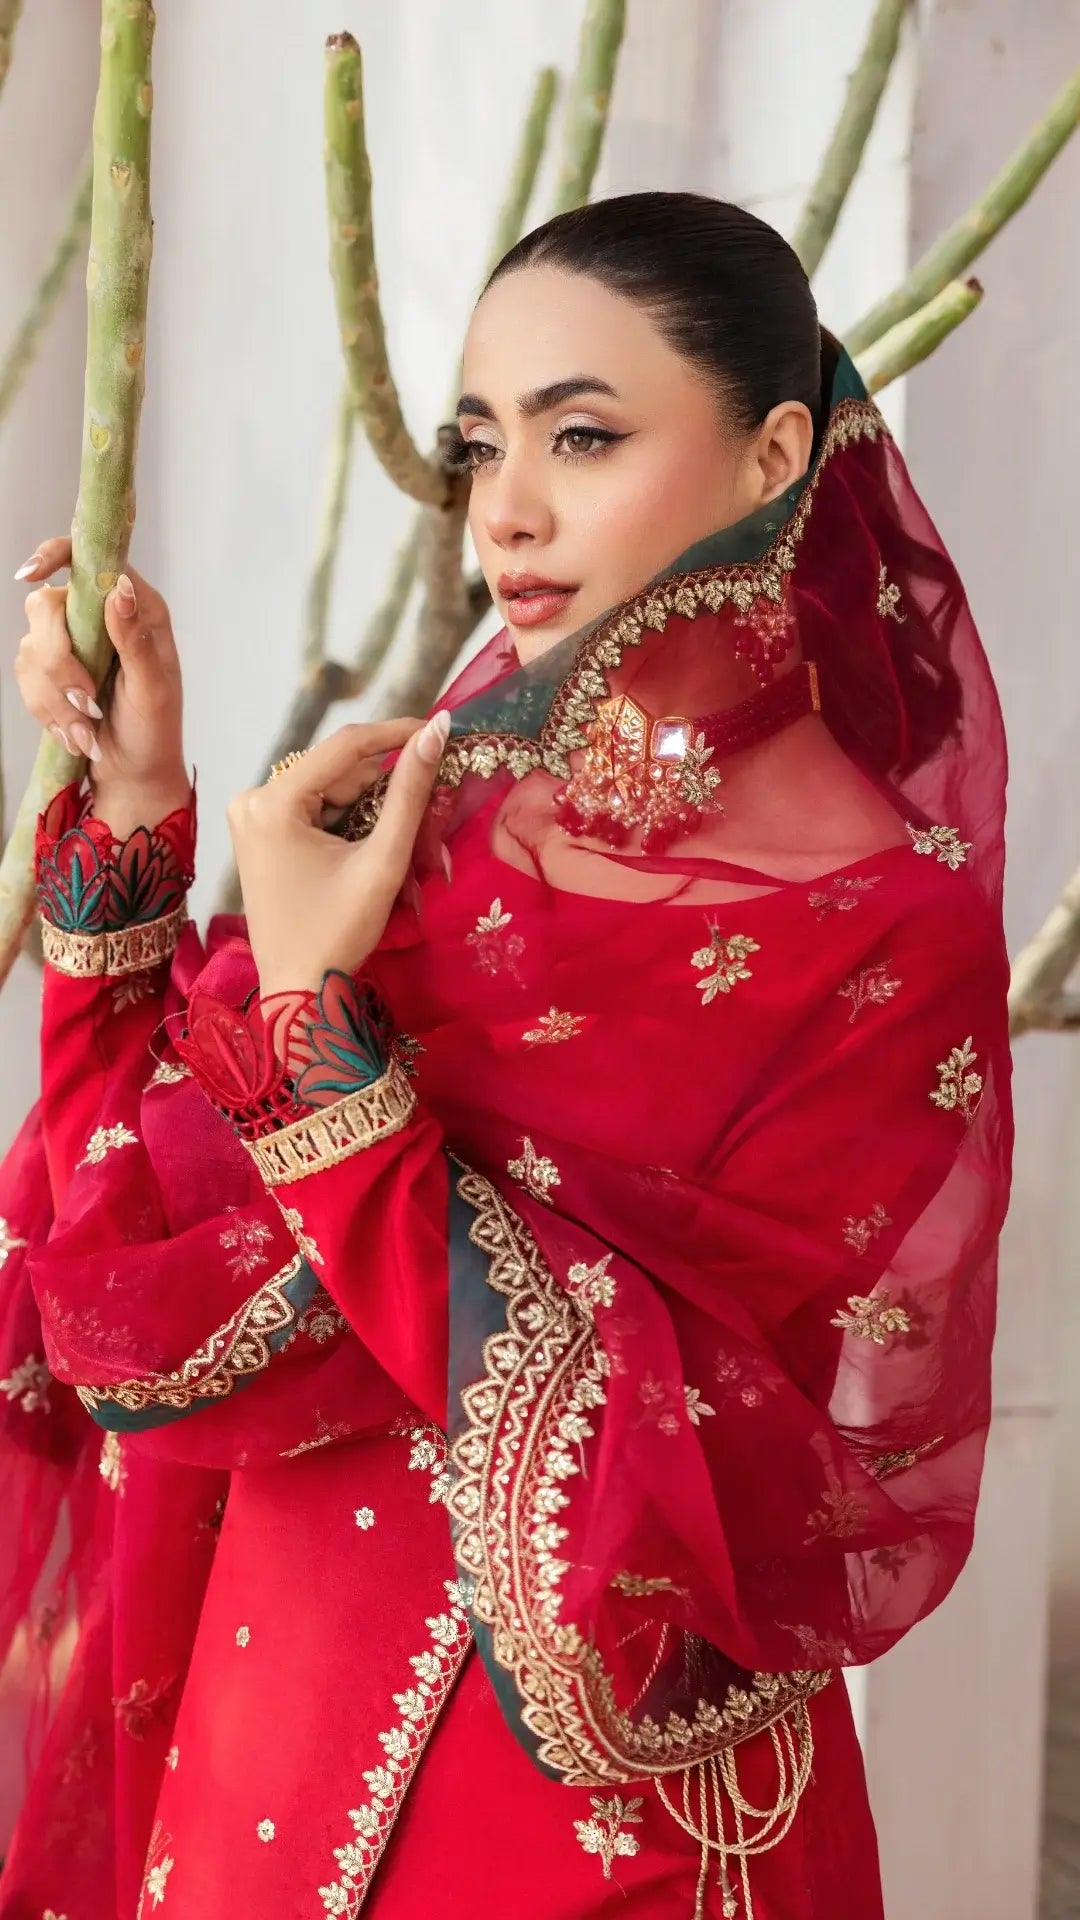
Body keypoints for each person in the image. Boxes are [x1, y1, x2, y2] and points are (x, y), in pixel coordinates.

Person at [0, 192, 1012, 1919]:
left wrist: (318, 1045)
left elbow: (659, 1473)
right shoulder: (440, 822)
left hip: (593, 1814)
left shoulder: (884, 927)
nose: (509, 515)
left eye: (586, 437)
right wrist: (146, 811)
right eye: (481, 447)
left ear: (777, 454)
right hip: (264, 1741)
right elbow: (123, 1250)